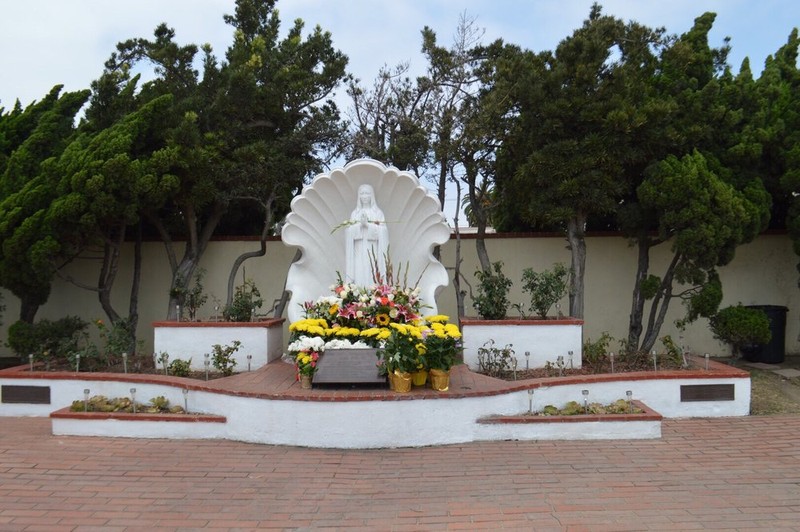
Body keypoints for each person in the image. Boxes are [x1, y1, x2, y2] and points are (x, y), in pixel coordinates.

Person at [345, 184, 389, 286]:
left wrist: (368, 225)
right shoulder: (355, 213)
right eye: (362, 194)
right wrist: (359, 226)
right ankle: (359, 296)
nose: (364, 196)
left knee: (372, 270)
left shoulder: (378, 213)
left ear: (372, 195)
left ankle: (373, 296)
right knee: (359, 270)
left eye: (367, 193)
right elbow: (349, 232)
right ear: (359, 196)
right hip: (359, 249)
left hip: (373, 248)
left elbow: (384, 231)